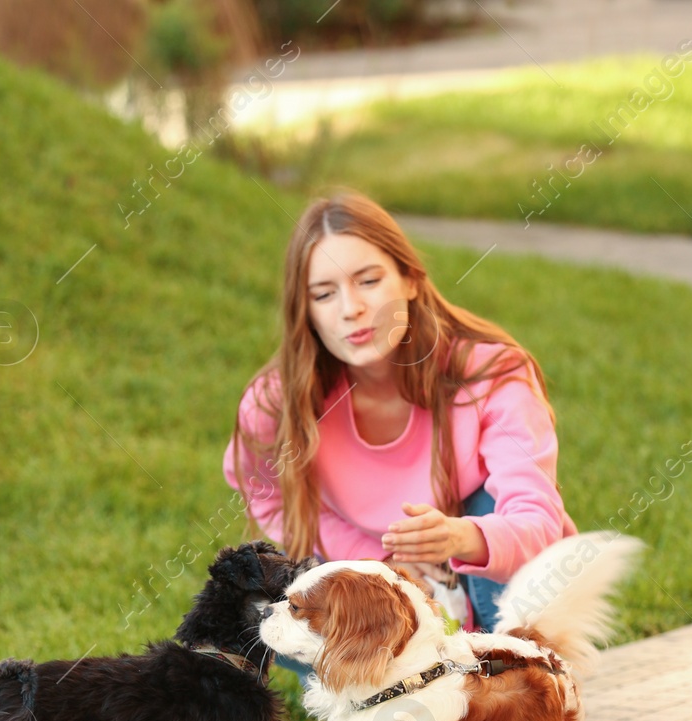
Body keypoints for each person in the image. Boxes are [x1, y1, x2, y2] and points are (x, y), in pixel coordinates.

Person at [223, 191, 577, 670]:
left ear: (410, 278)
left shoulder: (490, 373)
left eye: (369, 280)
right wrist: (375, 565)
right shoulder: (276, 401)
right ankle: (386, 693)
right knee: (251, 606)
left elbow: (540, 521)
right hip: (384, 593)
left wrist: (458, 538)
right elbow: (267, 495)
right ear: (304, 310)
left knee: (488, 505)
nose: (351, 308)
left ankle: (505, 684)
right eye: (324, 294)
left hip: (478, 581)